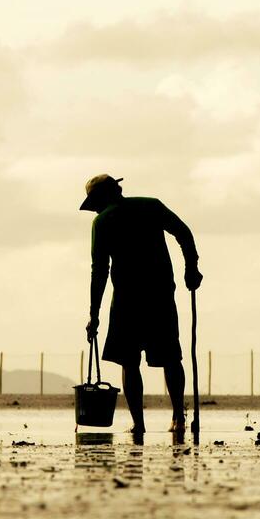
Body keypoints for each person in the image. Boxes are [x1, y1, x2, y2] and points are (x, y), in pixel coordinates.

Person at [81, 174, 201, 433]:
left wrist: (94, 314)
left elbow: (99, 271)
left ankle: (139, 424)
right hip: (160, 295)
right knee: (171, 358)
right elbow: (184, 233)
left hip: (127, 300)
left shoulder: (102, 222)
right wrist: (191, 268)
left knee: (129, 362)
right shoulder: (151, 206)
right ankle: (178, 418)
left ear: (100, 199)